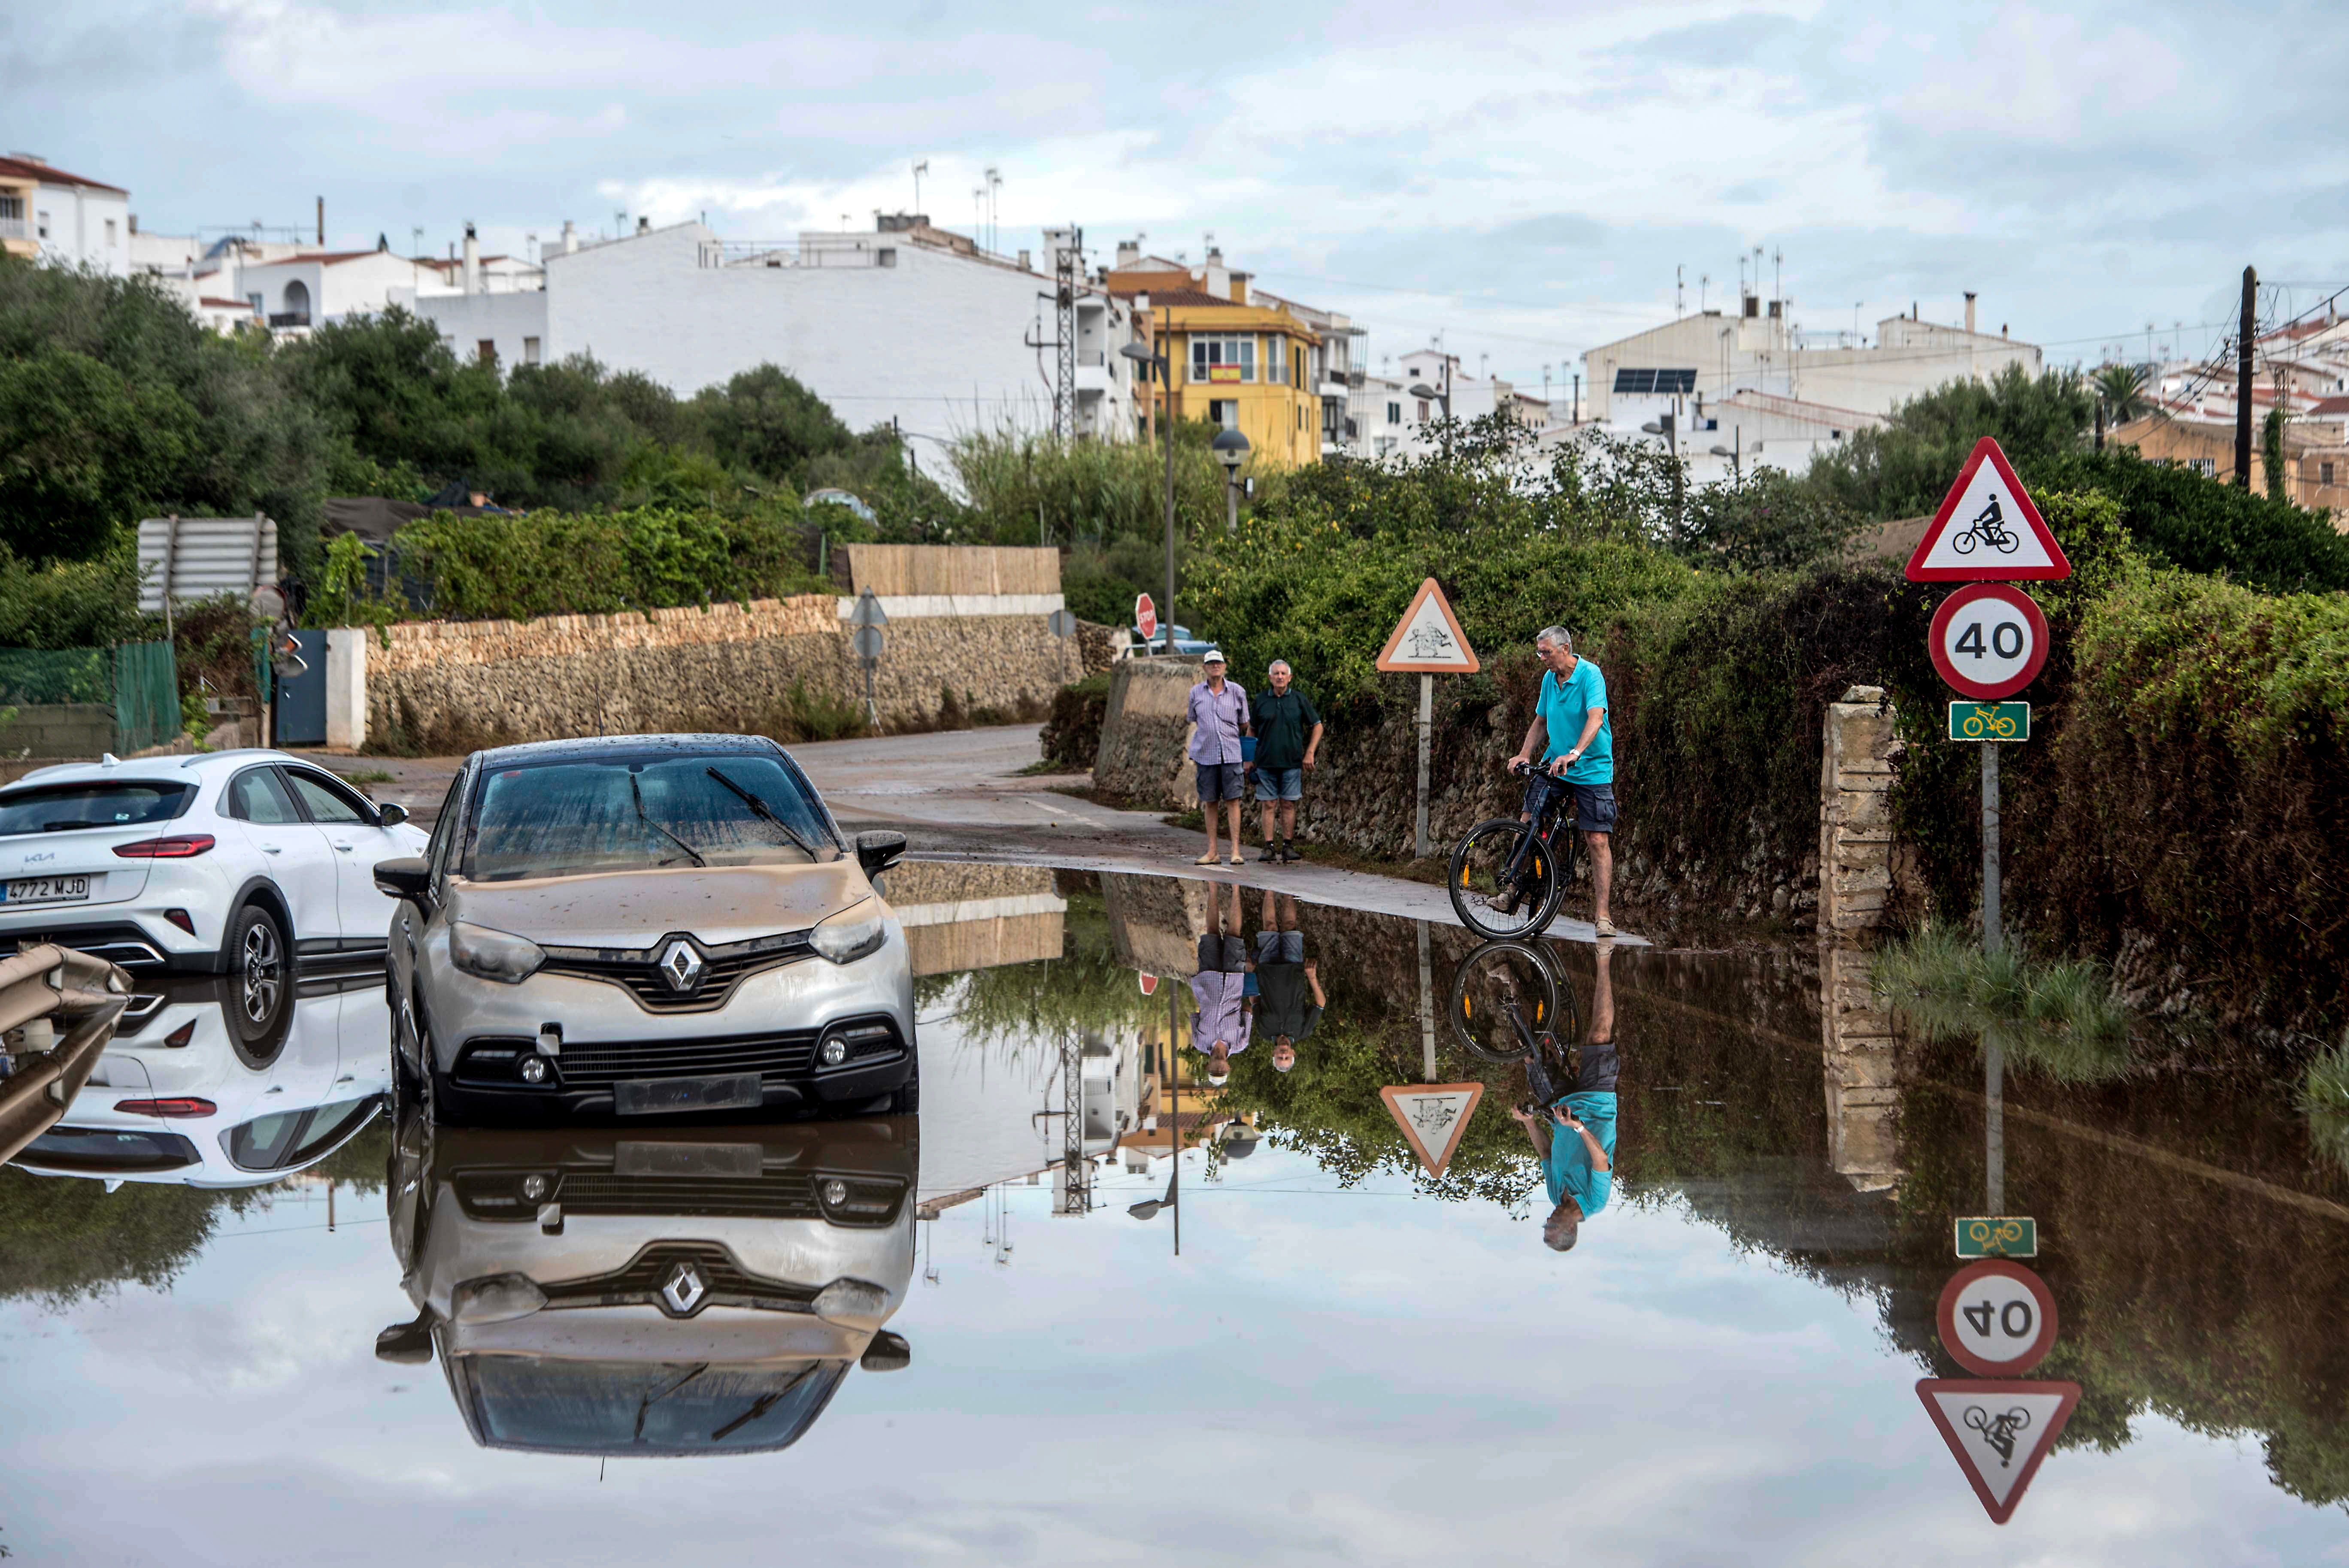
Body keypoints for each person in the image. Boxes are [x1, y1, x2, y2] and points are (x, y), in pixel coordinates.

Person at [1502, 625, 1617, 937]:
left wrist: (1575, 753)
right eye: (1539, 652)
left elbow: (1596, 718)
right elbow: (1541, 721)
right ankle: (1511, 887)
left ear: (1565, 649)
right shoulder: (1549, 680)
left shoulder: (1590, 676)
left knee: (1597, 840)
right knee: (1527, 821)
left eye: (1546, 652)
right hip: (1555, 765)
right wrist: (1525, 753)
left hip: (1591, 769)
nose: (1542, 658)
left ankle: (1603, 916)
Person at [1507, 935, 1618, 1252]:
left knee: (1530, 1054)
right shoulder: (1595, 1202)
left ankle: (1515, 983)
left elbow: (1546, 1156)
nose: (1551, 1217)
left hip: (1559, 1109)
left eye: (1547, 1223)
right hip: (1596, 1104)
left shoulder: (1557, 1196)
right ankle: (1604, 959)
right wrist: (1579, 1127)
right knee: (1598, 1035)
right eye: (1554, 1224)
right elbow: (1600, 1160)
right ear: (1571, 1230)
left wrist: (1527, 1122)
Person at [1251, 659, 1323, 863]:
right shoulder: (1261, 700)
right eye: (1276, 674)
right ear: (1270, 678)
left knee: (1288, 805)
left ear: (1290, 678)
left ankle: (1288, 846)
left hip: (1292, 763)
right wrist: (1249, 759)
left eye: (1284, 674)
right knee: (1268, 805)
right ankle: (1269, 846)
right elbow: (1252, 729)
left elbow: (1317, 726)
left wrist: (1310, 753)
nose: (1280, 677)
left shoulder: (1299, 700)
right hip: (1265, 762)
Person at [1185, 649, 1251, 867]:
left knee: (1233, 801)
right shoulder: (1196, 693)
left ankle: (1235, 851)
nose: (1215, 666)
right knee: (1210, 802)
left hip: (1232, 754)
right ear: (1204, 668)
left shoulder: (1237, 692)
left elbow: (1245, 724)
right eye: (1211, 663)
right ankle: (1212, 851)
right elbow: (1193, 718)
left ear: (1224, 667)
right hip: (1206, 755)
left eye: (1219, 663)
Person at [1188, 881, 1252, 1085]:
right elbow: (1248, 1011)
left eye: (1214, 1070)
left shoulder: (1200, 1043)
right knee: (1234, 933)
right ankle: (1236, 888)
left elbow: (1196, 1014)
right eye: (1221, 1070)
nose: (1218, 1067)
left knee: (1212, 932)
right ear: (1228, 1068)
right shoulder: (1241, 1043)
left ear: (1208, 1067)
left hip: (1208, 980)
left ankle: (1213, 887)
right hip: (1233, 981)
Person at [1252, 889, 1322, 1072]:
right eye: (1287, 1057)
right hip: (1294, 969)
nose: (1283, 1054)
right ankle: (1288, 890)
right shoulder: (1302, 1032)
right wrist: (1312, 977)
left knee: (1270, 927)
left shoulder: (1264, 1031)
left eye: (1280, 1057)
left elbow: (1255, 1001)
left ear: (1274, 1053)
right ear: (1294, 1053)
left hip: (1267, 969)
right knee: (1289, 926)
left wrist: (1252, 973)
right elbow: (1320, 1005)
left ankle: (1268, 888)